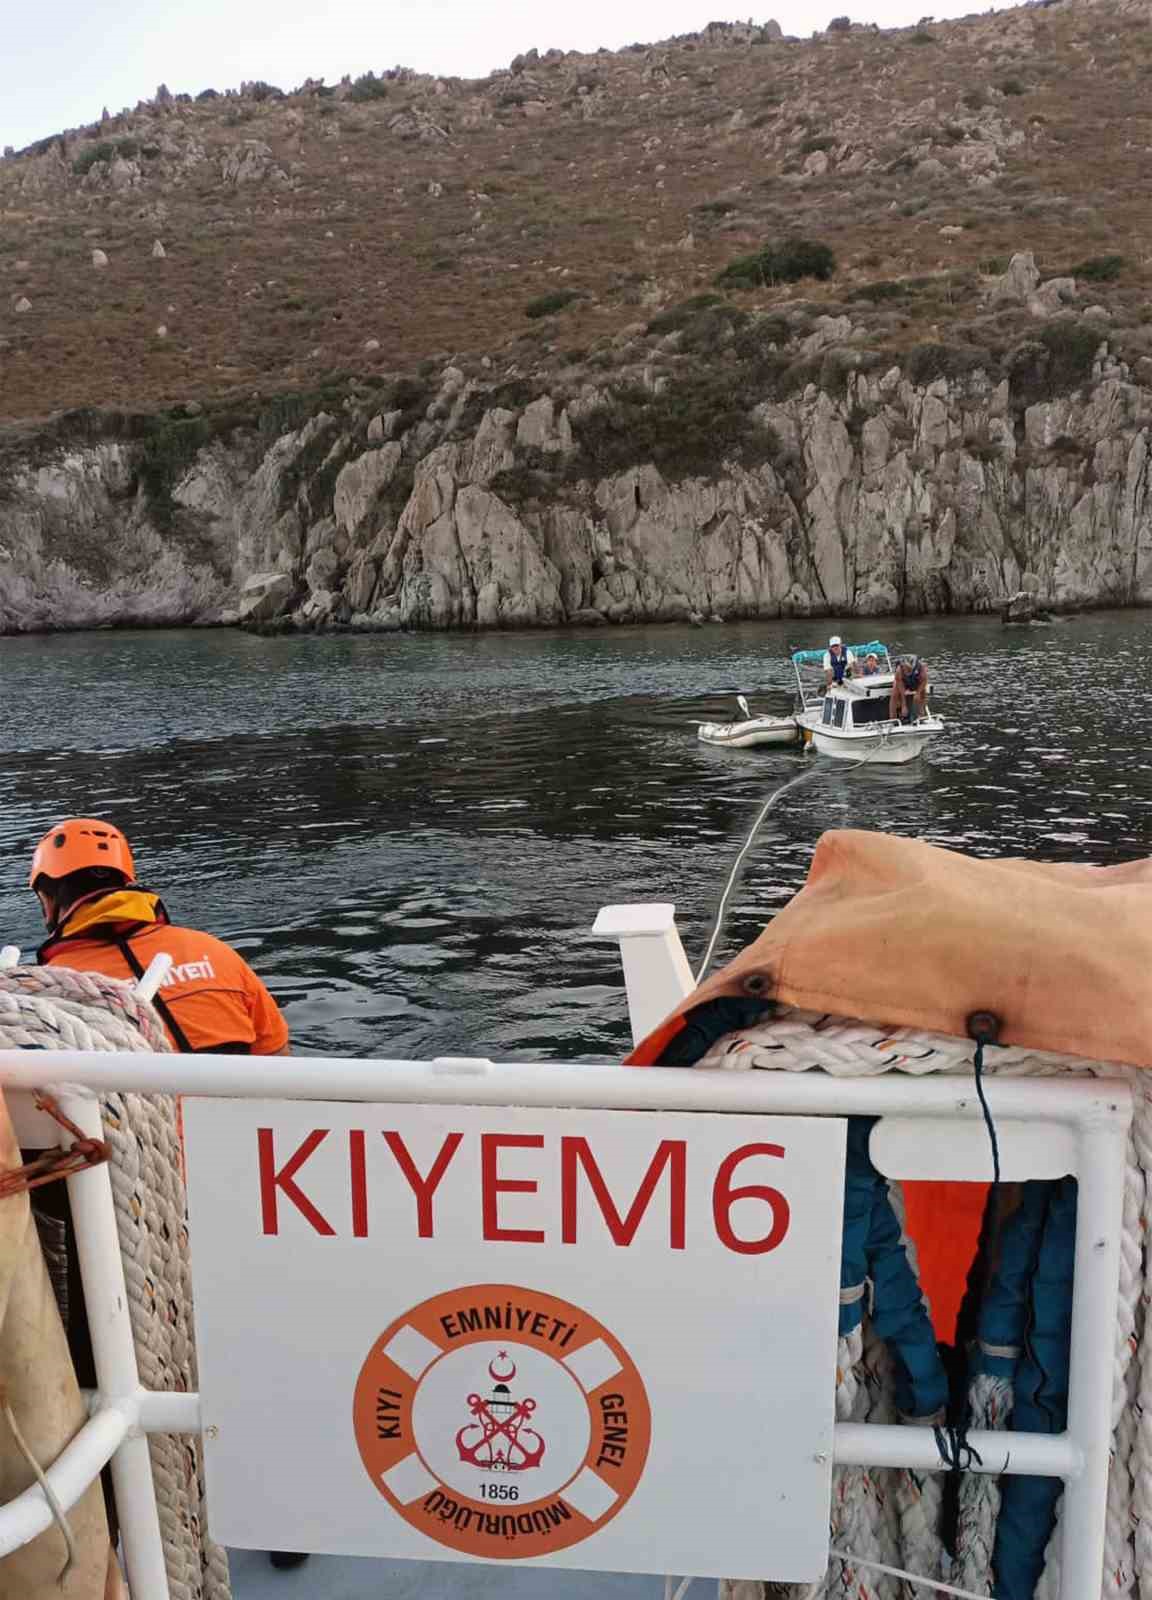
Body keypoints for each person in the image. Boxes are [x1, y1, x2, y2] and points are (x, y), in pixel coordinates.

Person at [29, 819, 305, 1572]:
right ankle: (282, 1518)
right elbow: (276, 1062)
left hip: (125, 1215)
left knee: (111, 1370)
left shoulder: (47, 993)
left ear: (50, 899)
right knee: (251, 1355)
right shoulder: (216, 954)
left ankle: (117, 1537)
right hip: (239, 1192)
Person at [890, 654, 929, 723]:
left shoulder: (921, 668)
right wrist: (903, 705)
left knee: (923, 692)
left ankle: (921, 715)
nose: (907, 671)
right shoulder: (899, 670)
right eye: (905, 669)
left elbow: (924, 681)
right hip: (904, 682)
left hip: (915, 681)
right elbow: (900, 685)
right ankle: (893, 719)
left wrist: (918, 693)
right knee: (894, 694)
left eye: (909, 670)